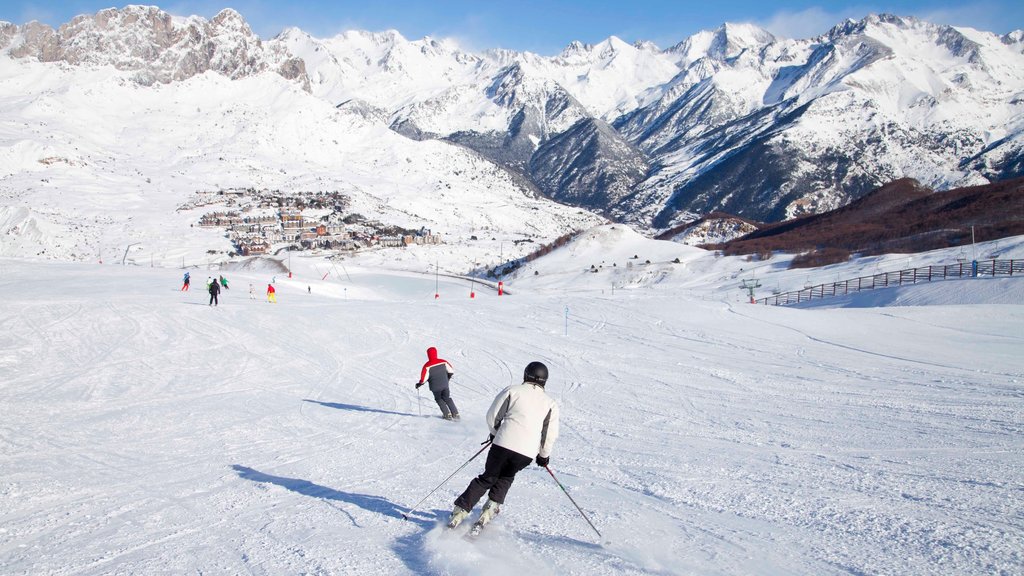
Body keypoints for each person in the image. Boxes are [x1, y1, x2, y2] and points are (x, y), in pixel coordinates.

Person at [448, 361, 559, 531]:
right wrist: (543, 455)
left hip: (503, 444)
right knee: (506, 477)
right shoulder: (550, 403)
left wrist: (495, 433)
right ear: (545, 380)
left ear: (526, 374)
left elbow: (492, 416)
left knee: (487, 478)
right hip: (526, 453)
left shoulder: (513, 391)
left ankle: (460, 511)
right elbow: (549, 434)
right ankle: (488, 512)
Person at [415, 347, 459, 420]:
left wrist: (419, 384)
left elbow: (424, 379)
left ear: (428, 355)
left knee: (439, 399)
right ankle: (455, 414)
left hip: (435, 387)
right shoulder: (443, 362)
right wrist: (447, 378)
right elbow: (451, 371)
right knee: (447, 398)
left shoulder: (427, 366)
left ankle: (447, 415)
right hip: (445, 384)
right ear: (436, 353)